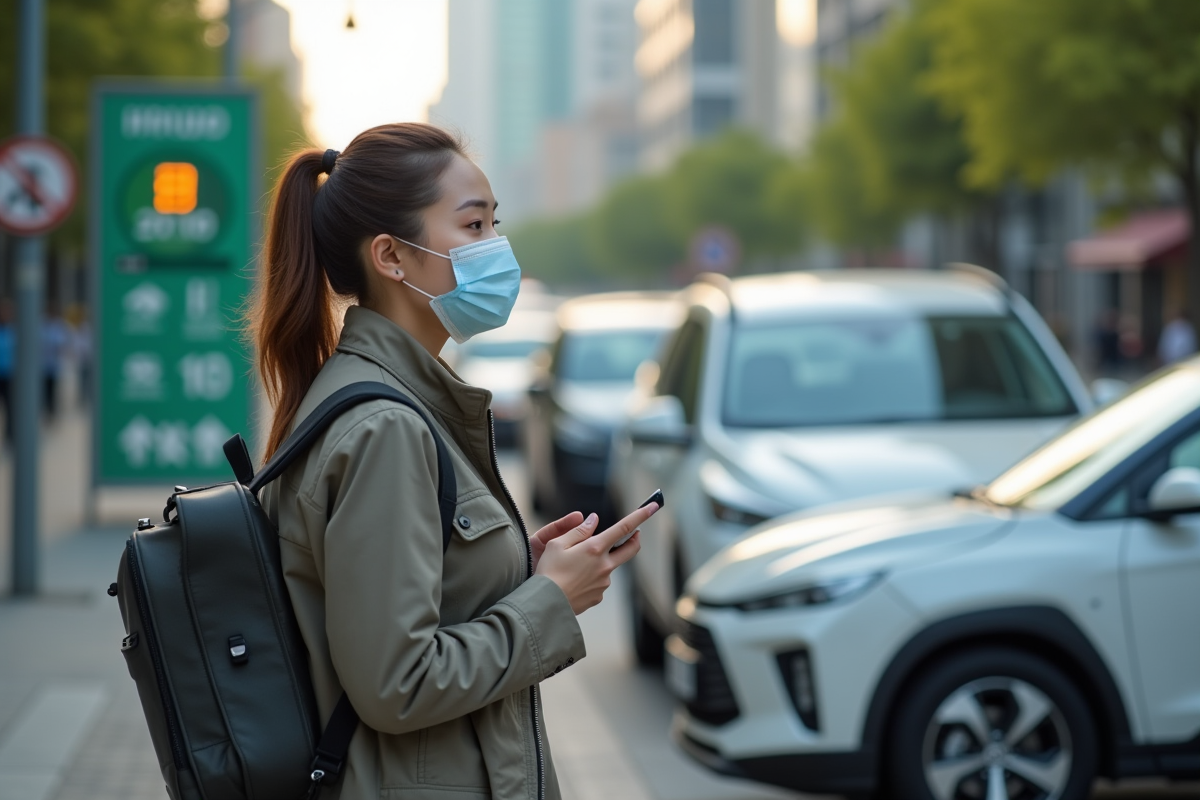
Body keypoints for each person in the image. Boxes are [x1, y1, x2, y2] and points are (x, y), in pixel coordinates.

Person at [251, 123, 655, 800]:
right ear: (392, 256)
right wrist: (550, 601)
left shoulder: (396, 400)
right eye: (472, 226)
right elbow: (396, 683)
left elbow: (404, 597)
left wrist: (515, 568)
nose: (496, 249)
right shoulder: (385, 428)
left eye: (495, 224)